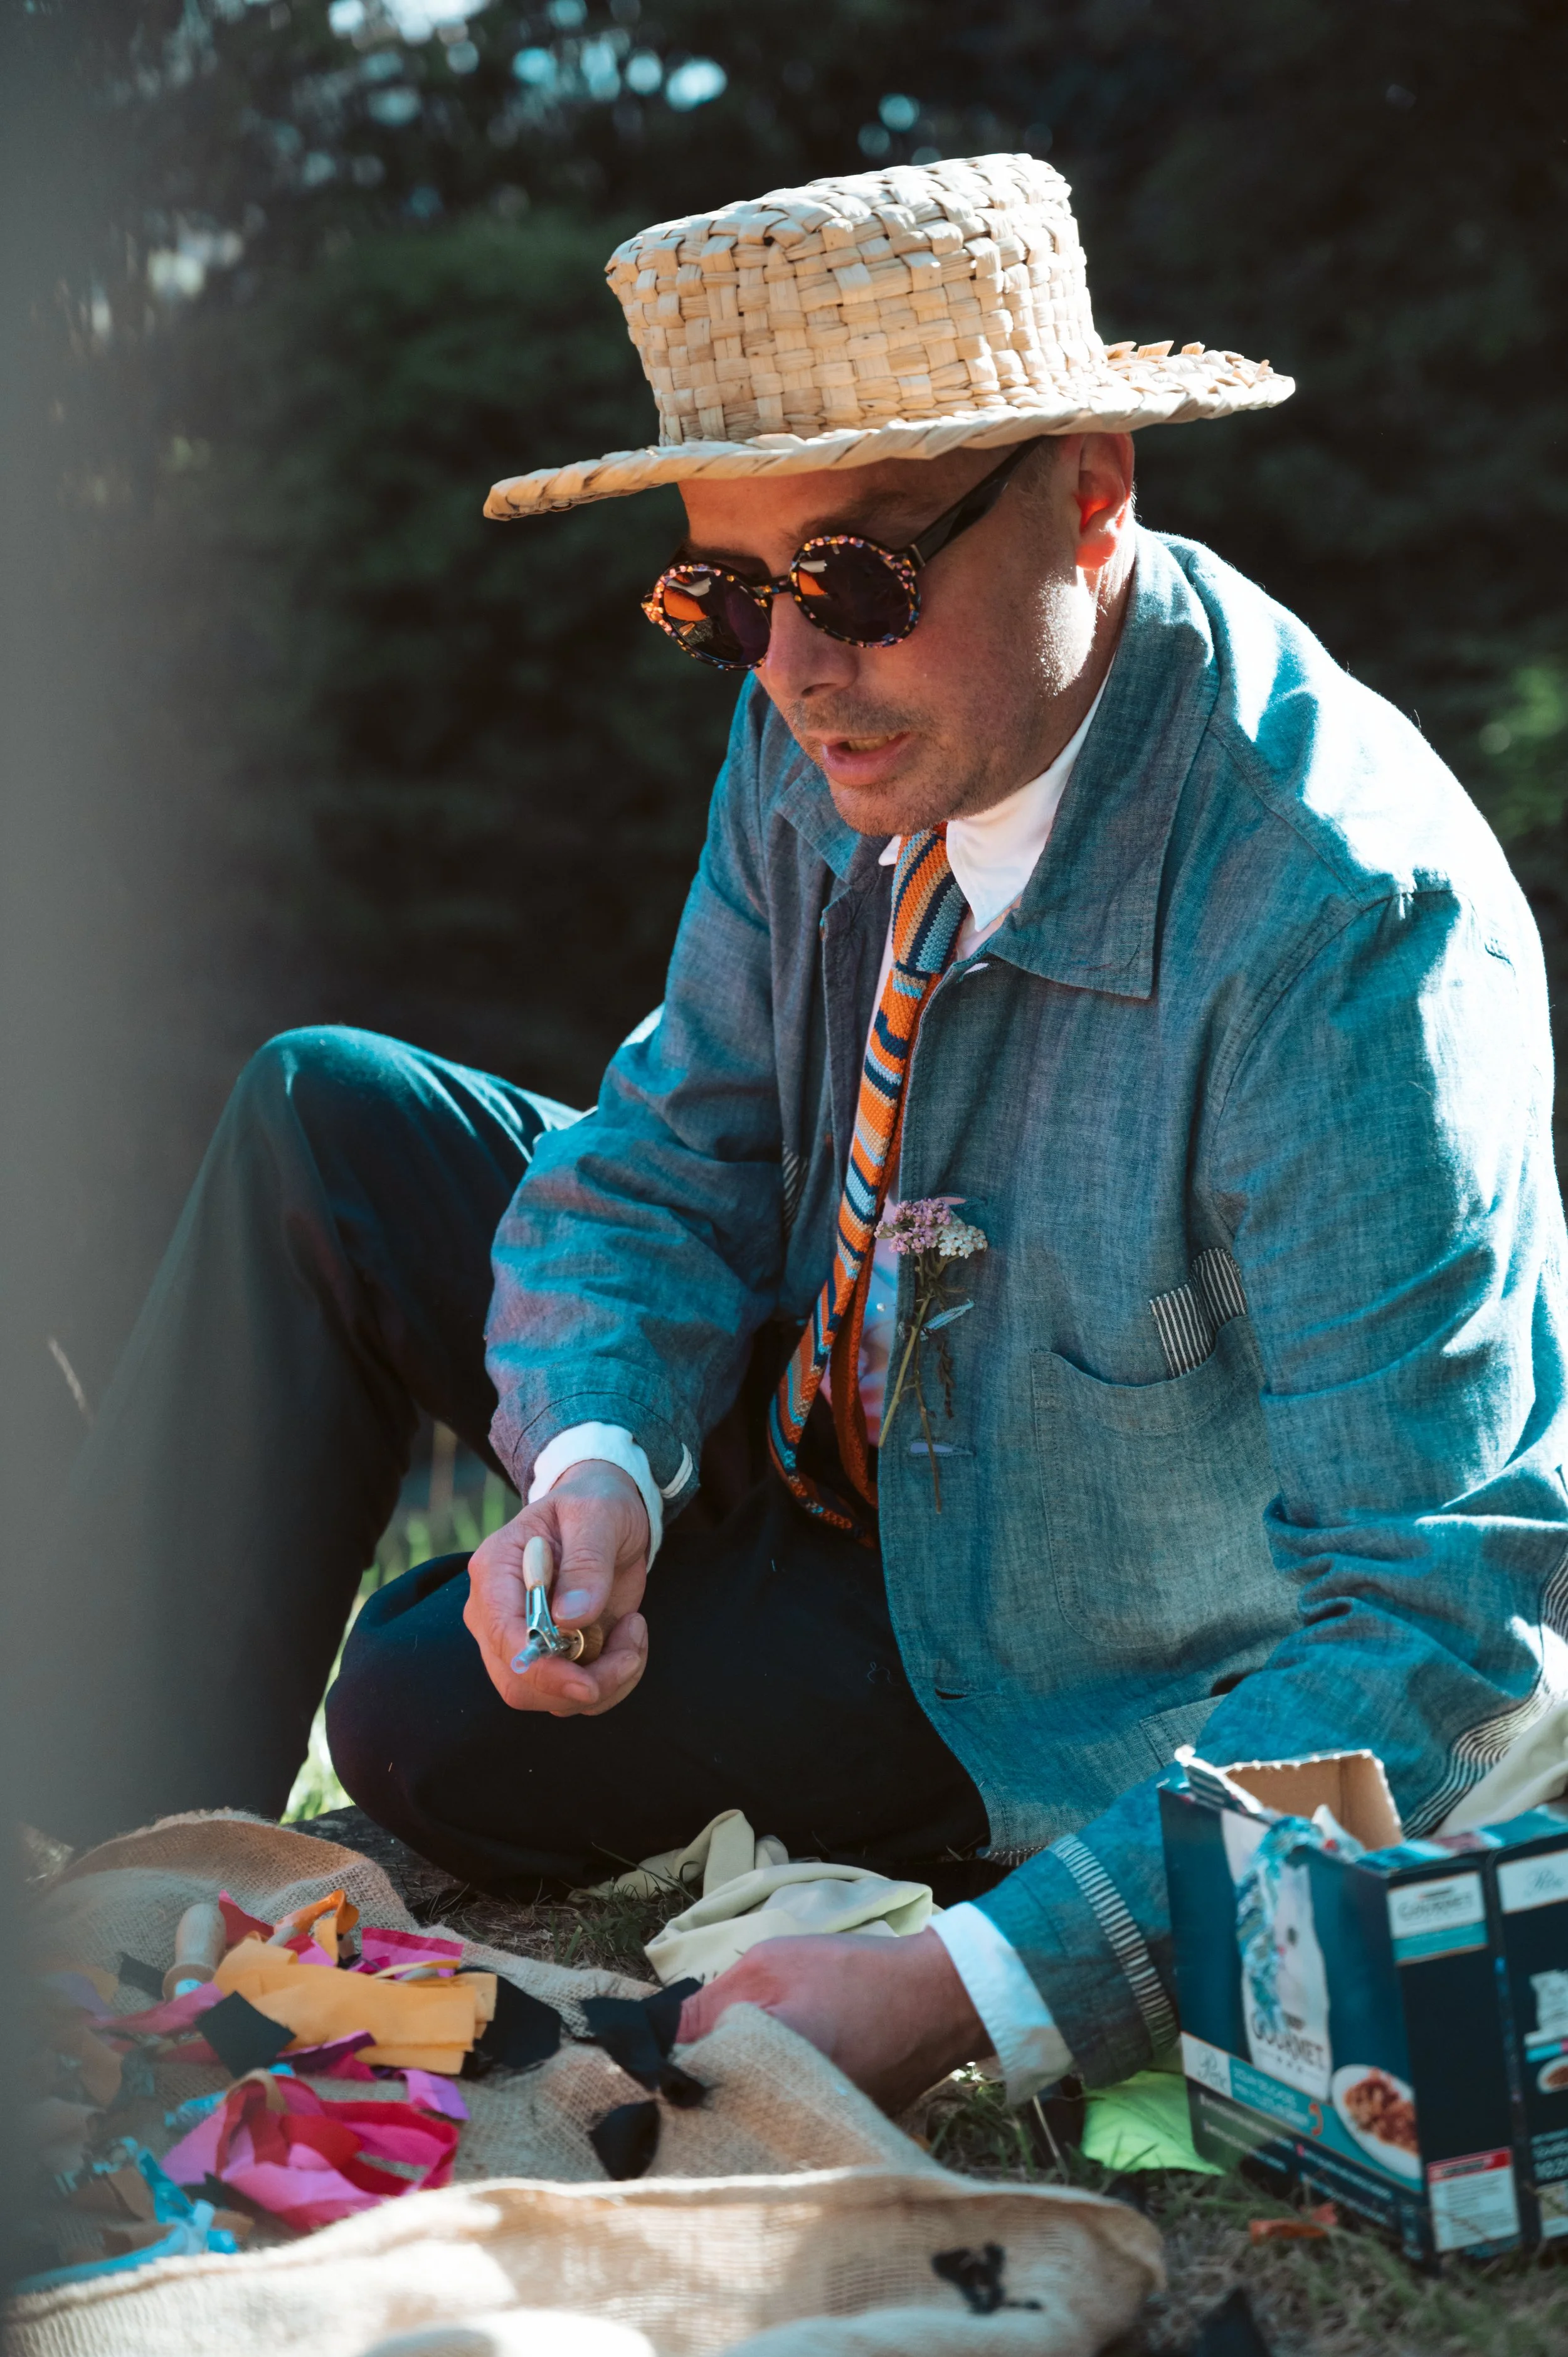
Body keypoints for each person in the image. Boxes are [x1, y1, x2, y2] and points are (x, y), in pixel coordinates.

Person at [29, 156, 1568, 2114]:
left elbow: (1444, 1603)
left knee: (415, 1715)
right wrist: (599, 1454)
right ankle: (59, 1880)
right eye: (722, 592)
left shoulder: (1345, 931)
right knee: (321, 1110)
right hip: (824, 1406)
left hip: (1021, 1652)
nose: (785, 668)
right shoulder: (824, 717)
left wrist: (963, 1990)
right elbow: (679, 1150)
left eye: (848, 575)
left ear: (1090, 493)